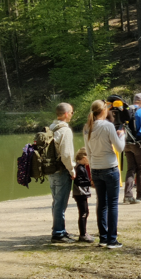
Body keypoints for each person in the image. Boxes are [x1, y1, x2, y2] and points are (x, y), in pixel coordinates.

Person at [84, 100, 126, 249]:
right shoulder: (108, 126)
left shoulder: (87, 127)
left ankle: (103, 237)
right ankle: (112, 240)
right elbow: (120, 148)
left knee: (101, 203)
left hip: (95, 168)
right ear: (104, 111)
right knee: (112, 204)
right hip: (110, 167)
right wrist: (122, 135)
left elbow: (88, 152)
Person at [48, 103, 77, 243]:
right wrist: (72, 170)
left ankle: (59, 229)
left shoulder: (51, 128)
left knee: (56, 201)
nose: (72, 114)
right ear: (66, 114)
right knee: (60, 203)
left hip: (51, 170)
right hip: (61, 170)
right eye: (71, 112)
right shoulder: (65, 131)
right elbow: (67, 154)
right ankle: (58, 232)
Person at [124, 93, 141, 204]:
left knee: (130, 169)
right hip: (138, 143)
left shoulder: (126, 110)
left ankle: (128, 195)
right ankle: (140, 194)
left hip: (126, 144)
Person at [73, 148, 94, 243]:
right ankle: (82, 234)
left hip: (81, 194)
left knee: (85, 212)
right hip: (80, 193)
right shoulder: (80, 168)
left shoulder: (81, 167)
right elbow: (79, 181)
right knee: (83, 213)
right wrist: (90, 183)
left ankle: (84, 233)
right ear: (84, 157)